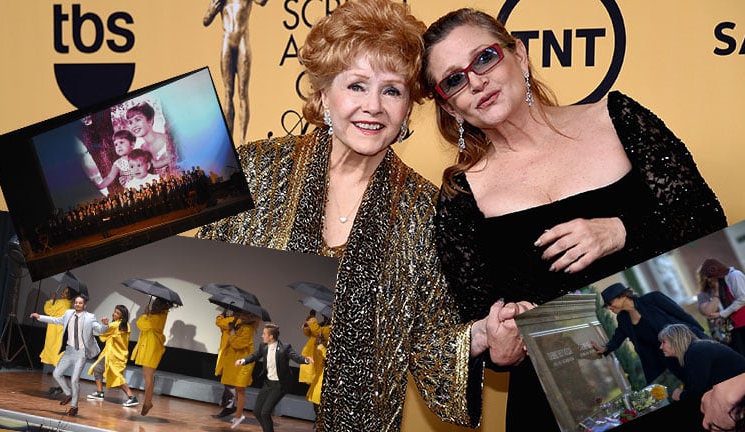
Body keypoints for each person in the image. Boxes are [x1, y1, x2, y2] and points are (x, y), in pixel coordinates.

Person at [197, 1, 528, 430]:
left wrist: (483, 336)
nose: (373, 106)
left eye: (392, 90)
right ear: (322, 94)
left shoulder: (424, 211)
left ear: (408, 108)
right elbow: (191, 252)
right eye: (356, 86)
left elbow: (431, 347)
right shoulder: (256, 170)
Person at [420, 7, 727, 431]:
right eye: (454, 80)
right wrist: (498, 344)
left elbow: (706, 218)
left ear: (521, 56)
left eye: (484, 58)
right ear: (449, 106)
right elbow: (478, 321)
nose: (475, 81)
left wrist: (621, 230)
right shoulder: (459, 198)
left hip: (680, 390)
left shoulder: (617, 119)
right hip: (555, 408)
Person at [591, 283, 708, 385]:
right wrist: (605, 348)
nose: (609, 307)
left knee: (706, 376)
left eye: (610, 303)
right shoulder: (623, 318)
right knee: (692, 384)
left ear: (622, 296)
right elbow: (618, 337)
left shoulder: (653, 299)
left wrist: (702, 335)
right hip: (668, 359)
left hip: (686, 347)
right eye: (606, 305)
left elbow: (681, 314)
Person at [30, 294, 108, 417]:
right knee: (56, 373)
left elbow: (100, 330)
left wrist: (105, 325)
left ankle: (74, 407)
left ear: (84, 305)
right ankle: (68, 393)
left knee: (74, 380)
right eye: (76, 302)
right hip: (69, 351)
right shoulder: (68, 314)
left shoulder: (90, 317)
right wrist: (40, 317)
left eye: (80, 303)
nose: (77, 304)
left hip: (81, 353)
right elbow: (56, 320)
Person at [202, 0, 267, 144]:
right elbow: (205, 21)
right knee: (228, 93)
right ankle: (229, 141)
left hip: (242, 41)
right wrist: (212, 10)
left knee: (243, 92)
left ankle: (243, 140)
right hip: (227, 41)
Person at [235, 323, 313, 432]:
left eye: (264, 334)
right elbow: (255, 356)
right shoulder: (263, 346)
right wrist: (243, 360)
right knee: (257, 412)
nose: (262, 336)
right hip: (268, 383)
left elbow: (295, 357)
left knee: (265, 413)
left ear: (271, 336)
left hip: (279, 384)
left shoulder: (284, 347)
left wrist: (305, 360)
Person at [658, 323, 745, 401]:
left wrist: (680, 395)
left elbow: (698, 391)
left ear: (675, 340)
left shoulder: (695, 352)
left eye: (663, 342)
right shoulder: (696, 349)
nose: (661, 347)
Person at [698, 258, 745, 360]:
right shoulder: (722, 281)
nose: (709, 280)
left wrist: (721, 314)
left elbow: (742, 299)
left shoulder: (735, 275)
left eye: (710, 277)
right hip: (734, 325)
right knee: (743, 357)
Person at [86, 305, 139, 408]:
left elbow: (102, 333)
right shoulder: (126, 325)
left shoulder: (115, 325)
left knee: (116, 377)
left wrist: (104, 324)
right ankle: (99, 392)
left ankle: (132, 397)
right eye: (114, 312)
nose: (114, 314)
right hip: (114, 354)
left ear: (122, 316)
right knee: (98, 368)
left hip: (114, 356)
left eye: (117, 313)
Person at [130, 297, 175, 416]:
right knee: (148, 376)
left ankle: (147, 403)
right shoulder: (160, 315)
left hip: (152, 349)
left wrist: (145, 315)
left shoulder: (155, 318)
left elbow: (140, 324)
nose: (153, 306)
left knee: (148, 376)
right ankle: (147, 402)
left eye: (155, 304)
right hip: (151, 348)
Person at [218, 310, 260, 429]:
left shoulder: (247, 329)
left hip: (243, 364)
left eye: (242, 314)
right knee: (237, 389)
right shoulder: (241, 326)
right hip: (236, 362)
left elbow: (239, 344)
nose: (239, 316)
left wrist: (231, 334)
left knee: (240, 390)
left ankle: (239, 415)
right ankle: (237, 414)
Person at [38, 286, 73, 396]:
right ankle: (60, 387)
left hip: (56, 333)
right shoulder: (68, 304)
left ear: (69, 295)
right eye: (63, 291)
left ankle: (64, 388)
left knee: (57, 363)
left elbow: (49, 311)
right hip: (60, 333)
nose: (62, 293)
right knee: (58, 363)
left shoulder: (61, 303)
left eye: (65, 292)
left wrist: (51, 300)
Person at [126, 102, 175, 175]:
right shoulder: (141, 151)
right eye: (130, 122)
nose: (134, 125)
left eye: (137, 119)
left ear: (150, 121)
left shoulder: (169, 139)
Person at [213, 309, 239, 419]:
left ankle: (230, 406)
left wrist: (222, 313)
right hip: (226, 354)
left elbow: (219, 322)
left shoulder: (234, 320)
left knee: (229, 382)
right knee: (227, 381)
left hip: (230, 355)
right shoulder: (233, 320)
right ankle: (228, 405)